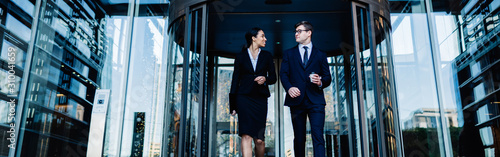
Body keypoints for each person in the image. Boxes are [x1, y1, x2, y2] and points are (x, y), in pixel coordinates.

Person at [280, 21, 331, 157]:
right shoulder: (289, 54)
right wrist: (289, 88)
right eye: (295, 31)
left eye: (299, 31)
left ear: (309, 33)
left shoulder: (320, 54)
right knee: (299, 138)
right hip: (296, 100)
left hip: (316, 101)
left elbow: (327, 77)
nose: (296, 34)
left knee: (318, 136)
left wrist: (320, 81)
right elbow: (283, 75)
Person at [229, 27, 277, 157]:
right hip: (243, 98)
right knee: (246, 136)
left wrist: (265, 79)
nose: (265, 39)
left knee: (260, 140)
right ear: (253, 38)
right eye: (262, 36)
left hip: (260, 99)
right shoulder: (240, 57)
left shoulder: (267, 56)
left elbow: (274, 78)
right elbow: (235, 81)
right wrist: (232, 105)